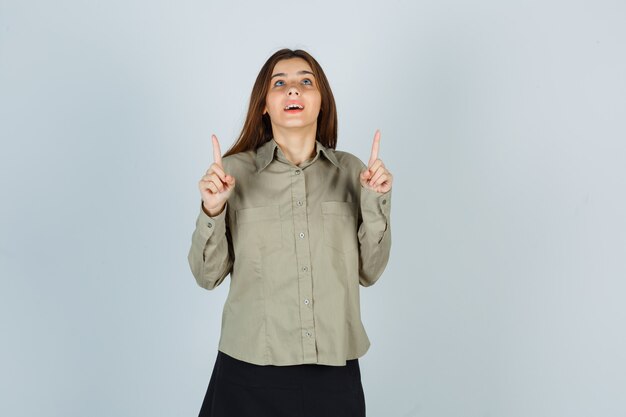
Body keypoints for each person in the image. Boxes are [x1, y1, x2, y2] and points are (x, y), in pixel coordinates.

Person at [187, 48, 393, 417]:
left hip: (332, 374)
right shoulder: (232, 173)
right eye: (279, 83)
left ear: (321, 103)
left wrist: (376, 201)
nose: (293, 90)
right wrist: (212, 209)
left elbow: (369, 271)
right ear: (264, 104)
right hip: (248, 372)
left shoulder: (352, 172)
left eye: (305, 82)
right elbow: (207, 276)